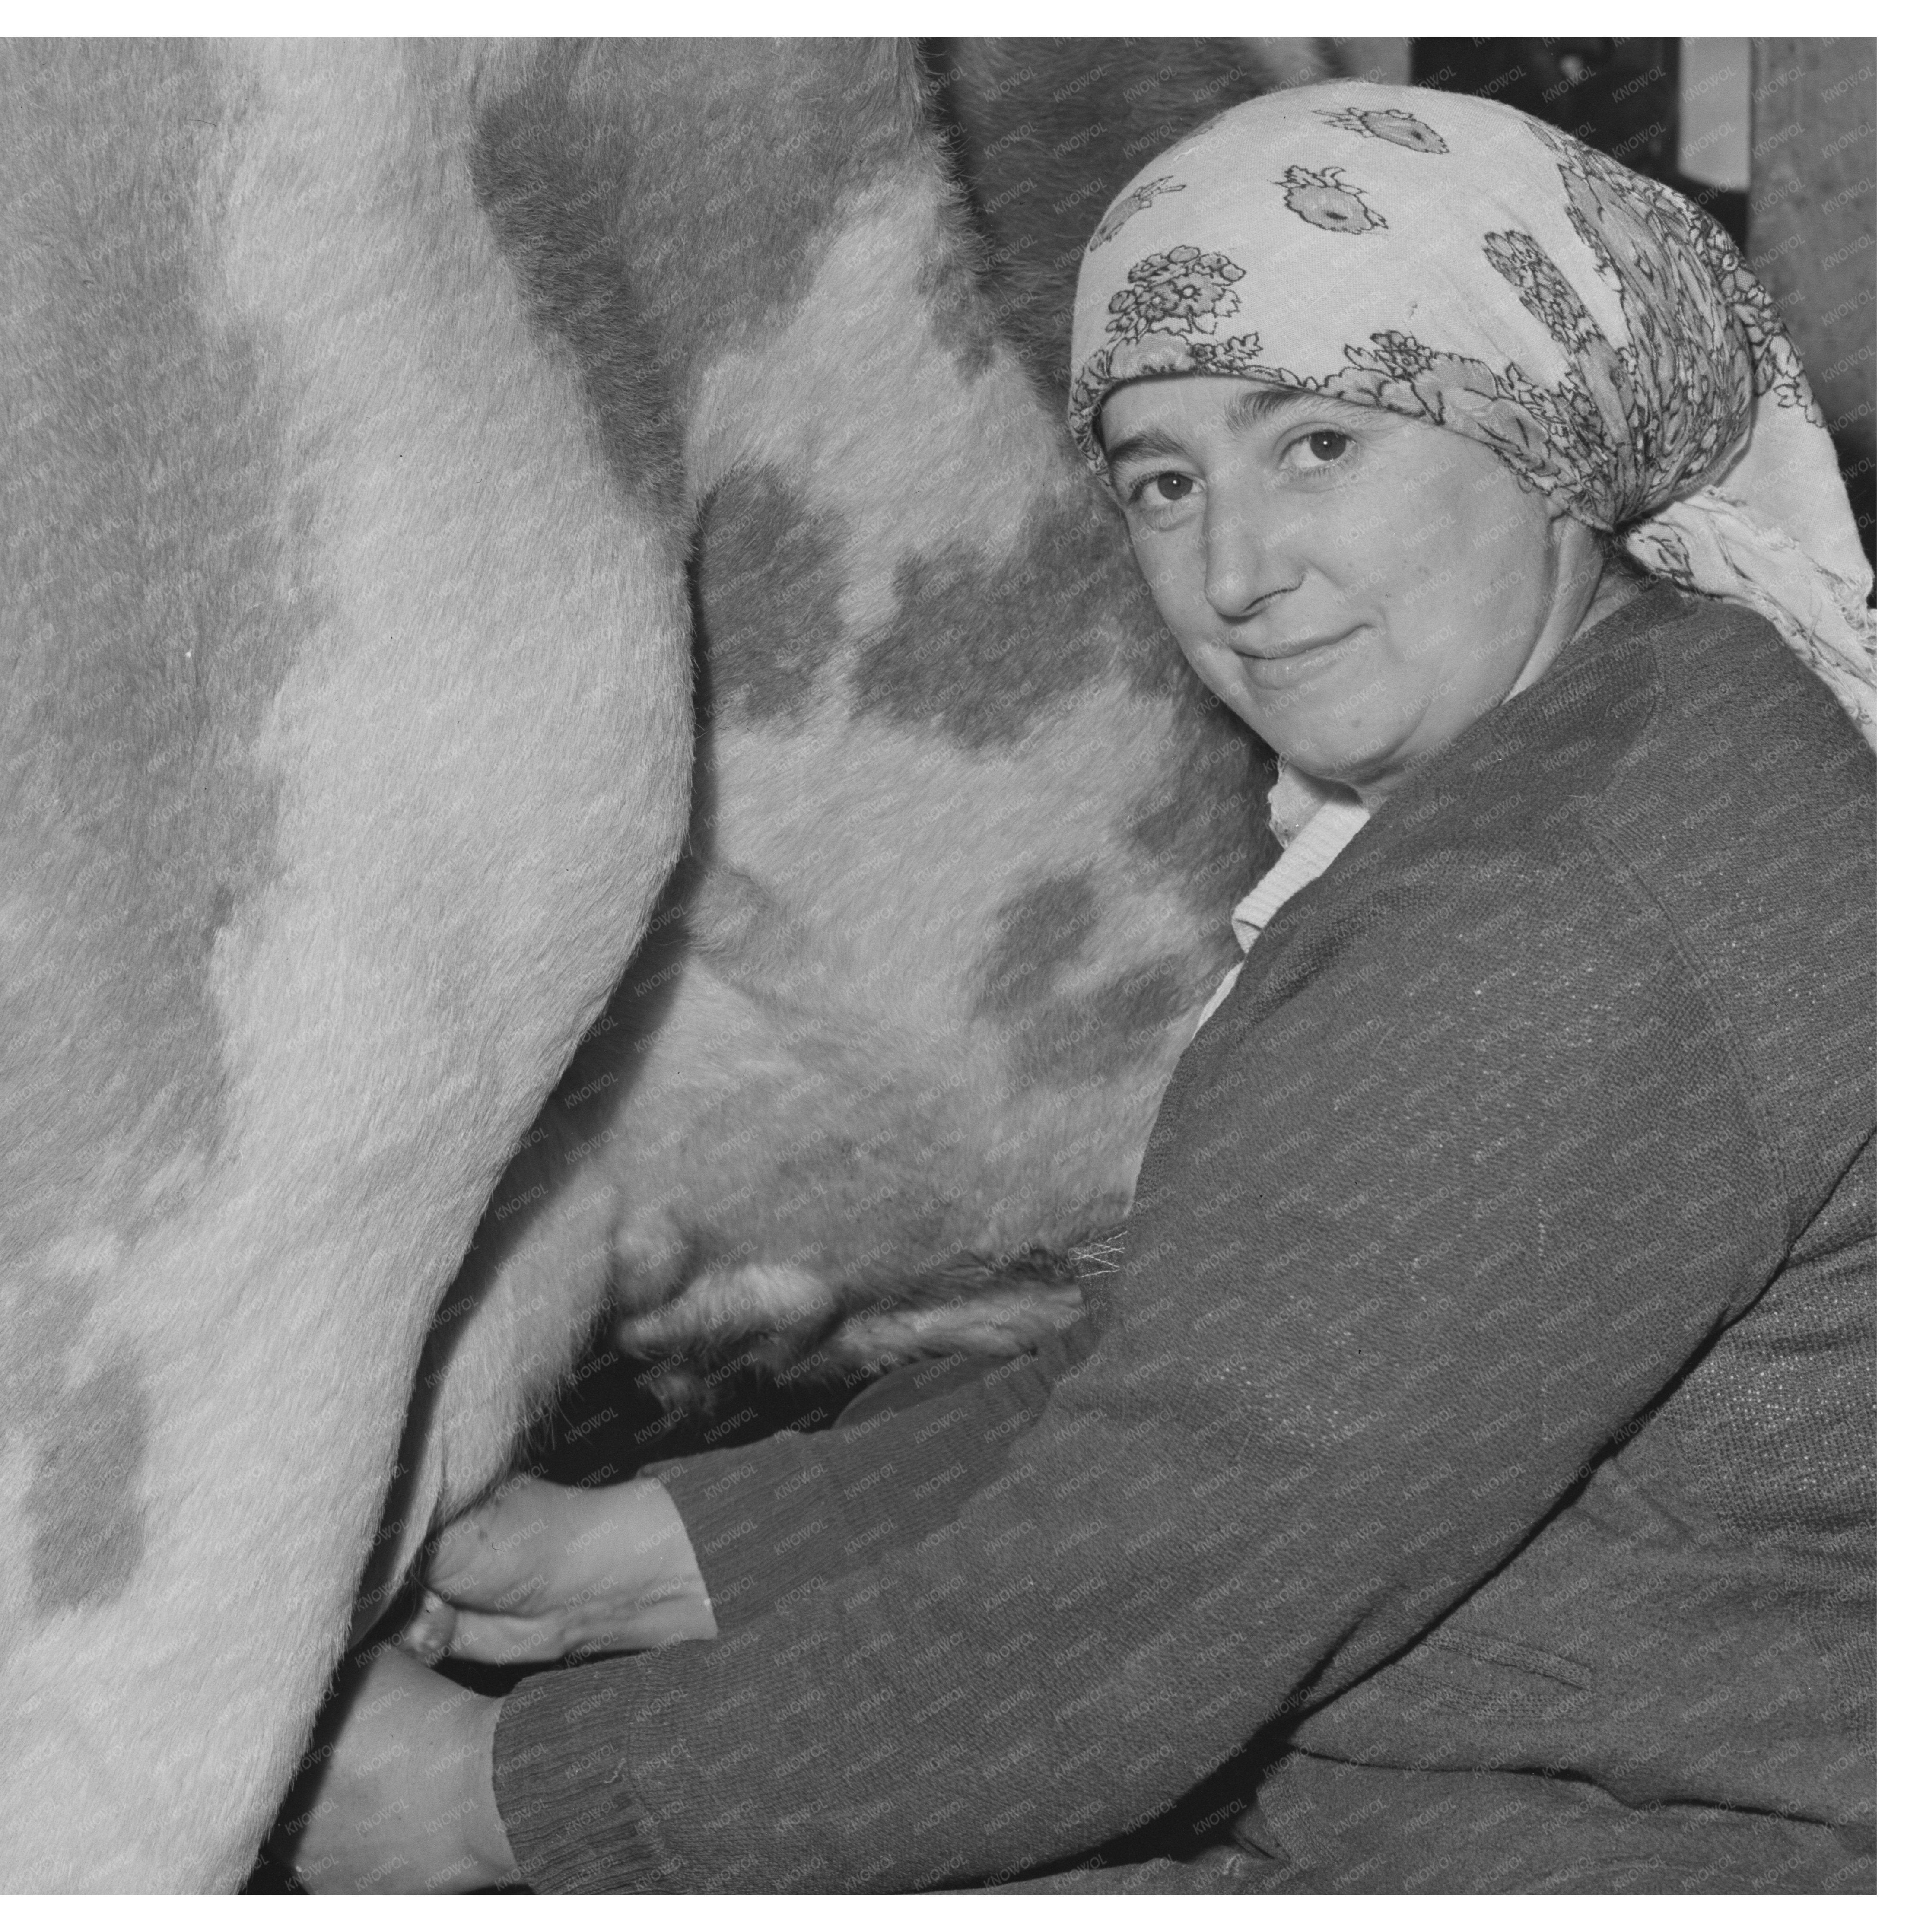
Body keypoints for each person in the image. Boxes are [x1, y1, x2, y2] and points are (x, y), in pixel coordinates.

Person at [290, 80, 1876, 1894]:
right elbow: (1232, 1387)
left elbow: (1151, 1587)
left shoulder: (1551, 920)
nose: (1236, 574)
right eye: (1165, 480)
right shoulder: (1672, 726)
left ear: (1540, 434)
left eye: (1321, 447)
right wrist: (657, 1555)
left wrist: (505, 1792)